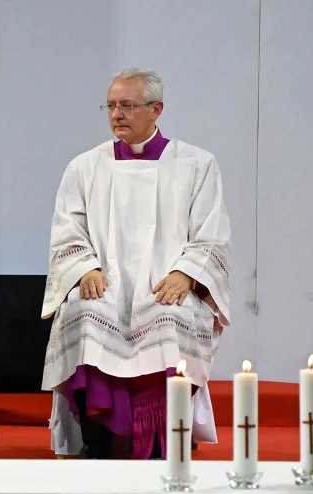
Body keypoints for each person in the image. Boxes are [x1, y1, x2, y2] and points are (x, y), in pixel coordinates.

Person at [41, 67, 231, 459]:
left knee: (170, 318)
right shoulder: (85, 166)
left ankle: (163, 438)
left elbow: (212, 232)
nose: (116, 115)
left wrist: (185, 273)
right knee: (84, 312)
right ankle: (97, 439)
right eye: (110, 106)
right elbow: (67, 228)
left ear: (156, 109)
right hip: (106, 284)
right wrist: (85, 269)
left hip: (165, 285)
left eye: (127, 105)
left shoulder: (196, 164)